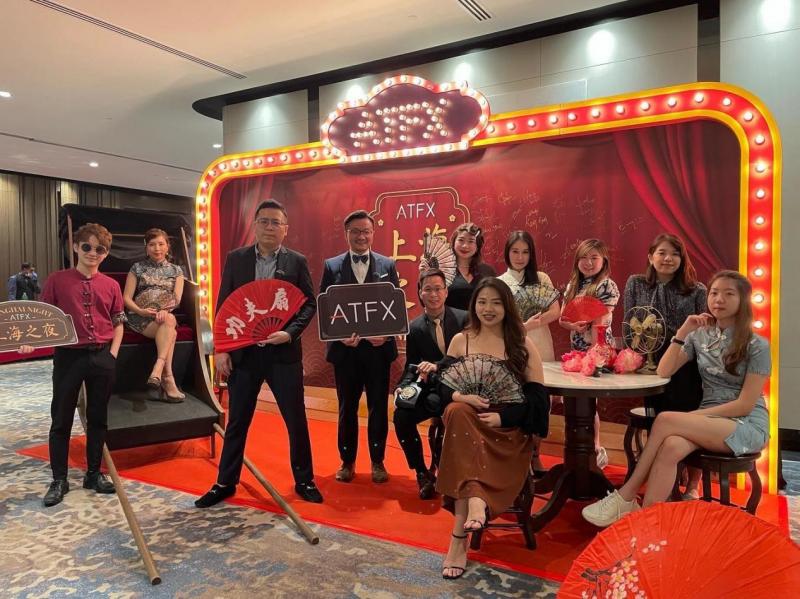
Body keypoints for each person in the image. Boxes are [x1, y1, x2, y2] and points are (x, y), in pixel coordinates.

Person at [582, 270, 770, 527]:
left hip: (745, 422)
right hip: (708, 418)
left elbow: (745, 404)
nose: (719, 300)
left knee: (666, 421)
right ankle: (647, 522)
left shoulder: (757, 345)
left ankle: (626, 495)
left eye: (729, 294)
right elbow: (664, 370)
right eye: (714, 293)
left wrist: (690, 418)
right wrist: (683, 331)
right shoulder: (700, 336)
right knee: (671, 445)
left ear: (743, 300)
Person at [196, 199, 322, 506]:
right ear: (254, 225)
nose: (269, 227)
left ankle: (305, 480)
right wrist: (222, 349)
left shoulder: (296, 262)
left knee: (295, 419)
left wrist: (289, 332)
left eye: (276, 222)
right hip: (244, 354)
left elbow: (309, 303)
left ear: (285, 229)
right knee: (237, 421)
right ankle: (225, 482)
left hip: (283, 354)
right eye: (264, 221)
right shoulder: (236, 259)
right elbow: (225, 305)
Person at [436, 277, 549, 580]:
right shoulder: (461, 341)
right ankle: (475, 503)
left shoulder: (522, 345)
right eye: (482, 302)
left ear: (507, 307)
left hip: (506, 434)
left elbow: (539, 403)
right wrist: (460, 396)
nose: (488, 309)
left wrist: (504, 418)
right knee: (457, 412)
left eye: (496, 303)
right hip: (467, 424)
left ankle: (458, 539)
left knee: (460, 431)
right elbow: (442, 389)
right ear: (474, 305)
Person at [18, 224, 125, 507]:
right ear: (75, 247)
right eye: (87, 246)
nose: (92, 253)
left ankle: (93, 474)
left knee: (98, 418)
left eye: (100, 249)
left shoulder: (112, 285)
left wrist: (113, 354)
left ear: (106, 253)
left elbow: (118, 322)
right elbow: (42, 319)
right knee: (61, 418)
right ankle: (59, 479)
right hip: (68, 357)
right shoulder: (57, 280)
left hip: (102, 356)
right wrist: (30, 341)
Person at [623, 233, 707, 498]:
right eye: (661, 252)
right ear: (651, 256)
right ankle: (665, 483)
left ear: (682, 259)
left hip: (688, 367)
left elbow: (704, 334)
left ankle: (692, 484)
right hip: (650, 367)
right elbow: (629, 324)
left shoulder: (698, 290)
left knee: (690, 423)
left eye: (674, 253)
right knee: (658, 421)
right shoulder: (636, 284)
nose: (668, 258)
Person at [320, 209, 400, 484]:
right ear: (346, 234)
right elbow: (325, 308)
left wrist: (386, 336)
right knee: (347, 407)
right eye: (355, 231)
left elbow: (394, 307)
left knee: (378, 407)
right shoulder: (331, 266)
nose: (361, 236)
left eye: (366, 231)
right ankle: (347, 462)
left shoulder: (387, 265)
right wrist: (338, 335)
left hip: (378, 352)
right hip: (346, 353)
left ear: (373, 233)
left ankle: (378, 461)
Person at [393, 268, 467, 499]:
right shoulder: (415, 328)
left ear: (446, 292)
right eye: (428, 289)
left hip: (462, 390)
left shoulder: (464, 319)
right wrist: (402, 387)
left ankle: (457, 475)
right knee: (401, 416)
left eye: (438, 289)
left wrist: (436, 365)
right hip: (434, 391)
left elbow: (472, 358)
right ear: (420, 293)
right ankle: (422, 472)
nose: (433, 294)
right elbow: (412, 365)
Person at [498, 230, 560, 474]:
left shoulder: (541, 278)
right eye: (515, 251)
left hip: (541, 344)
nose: (520, 257)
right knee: (516, 399)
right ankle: (518, 457)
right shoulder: (500, 282)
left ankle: (535, 455)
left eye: (525, 252)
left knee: (541, 401)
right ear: (507, 253)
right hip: (514, 346)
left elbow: (555, 311)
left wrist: (534, 324)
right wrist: (522, 327)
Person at [559, 239, 619, 469]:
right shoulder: (573, 285)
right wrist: (573, 325)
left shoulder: (607, 286)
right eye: (584, 257)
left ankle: (595, 447)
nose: (589, 262)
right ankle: (577, 449)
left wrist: (594, 355)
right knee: (575, 400)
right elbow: (563, 319)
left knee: (589, 401)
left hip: (598, 349)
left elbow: (601, 320)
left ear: (604, 261)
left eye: (594, 258)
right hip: (576, 350)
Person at [123, 228, 185, 402]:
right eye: (152, 244)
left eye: (161, 244)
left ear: (167, 246)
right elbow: (126, 298)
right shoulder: (137, 268)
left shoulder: (176, 270)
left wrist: (165, 310)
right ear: (146, 247)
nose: (157, 248)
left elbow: (177, 298)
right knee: (172, 330)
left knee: (169, 319)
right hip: (139, 316)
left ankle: (159, 368)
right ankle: (167, 377)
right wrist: (140, 311)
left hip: (163, 316)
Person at [445, 222, 496, 311]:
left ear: (477, 246)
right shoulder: (443, 269)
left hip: (481, 319)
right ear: (453, 242)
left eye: (471, 241)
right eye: (461, 240)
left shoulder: (488, 271)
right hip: (450, 319)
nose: (465, 246)